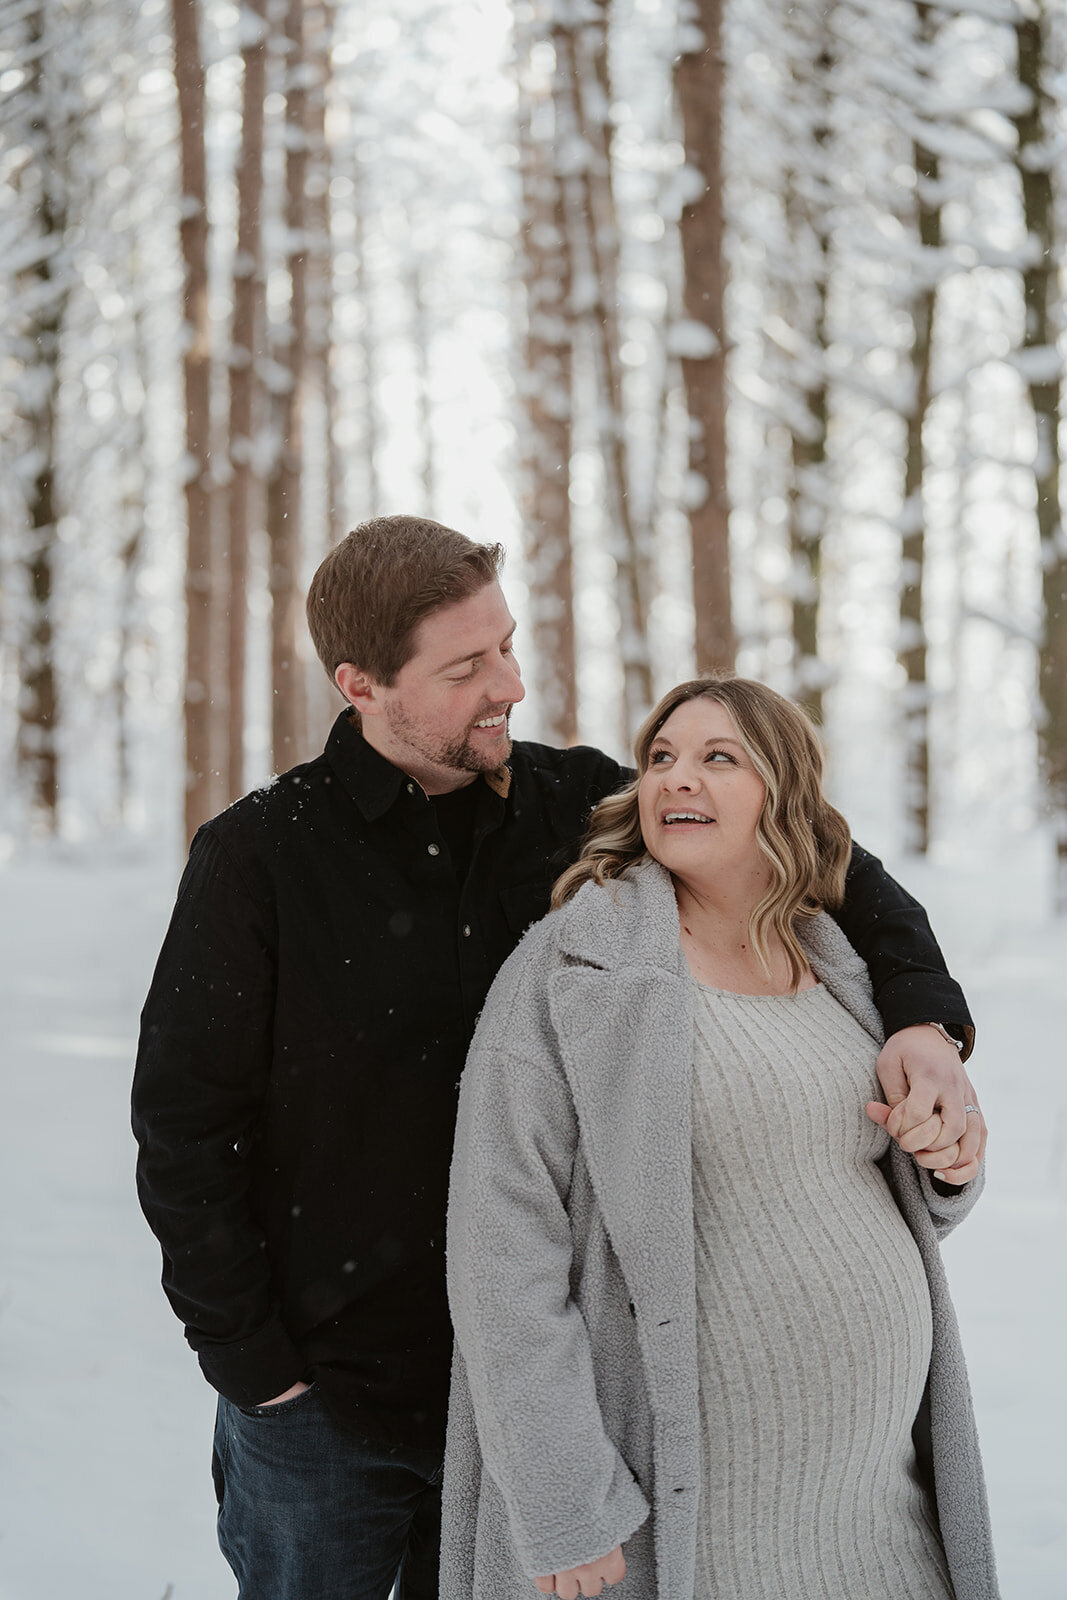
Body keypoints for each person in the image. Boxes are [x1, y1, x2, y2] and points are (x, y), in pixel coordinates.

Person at [132, 517, 984, 1600]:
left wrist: (921, 1022)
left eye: (505, 645)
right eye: (465, 669)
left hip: (553, 1394)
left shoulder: (585, 805)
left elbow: (824, 861)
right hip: (334, 1410)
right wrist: (258, 1369)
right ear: (361, 685)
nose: (511, 685)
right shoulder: (259, 856)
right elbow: (186, 1128)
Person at [443, 674, 998, 1600]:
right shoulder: (577, 970)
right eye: (660, 757)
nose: (675, 778)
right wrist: (562, 1497)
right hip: (701, 1512)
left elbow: (873, 1191)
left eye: (717, 757)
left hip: (878, 1505)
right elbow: (500, 1250)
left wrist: (946, 1163)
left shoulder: (836, 958)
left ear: (783, 792)